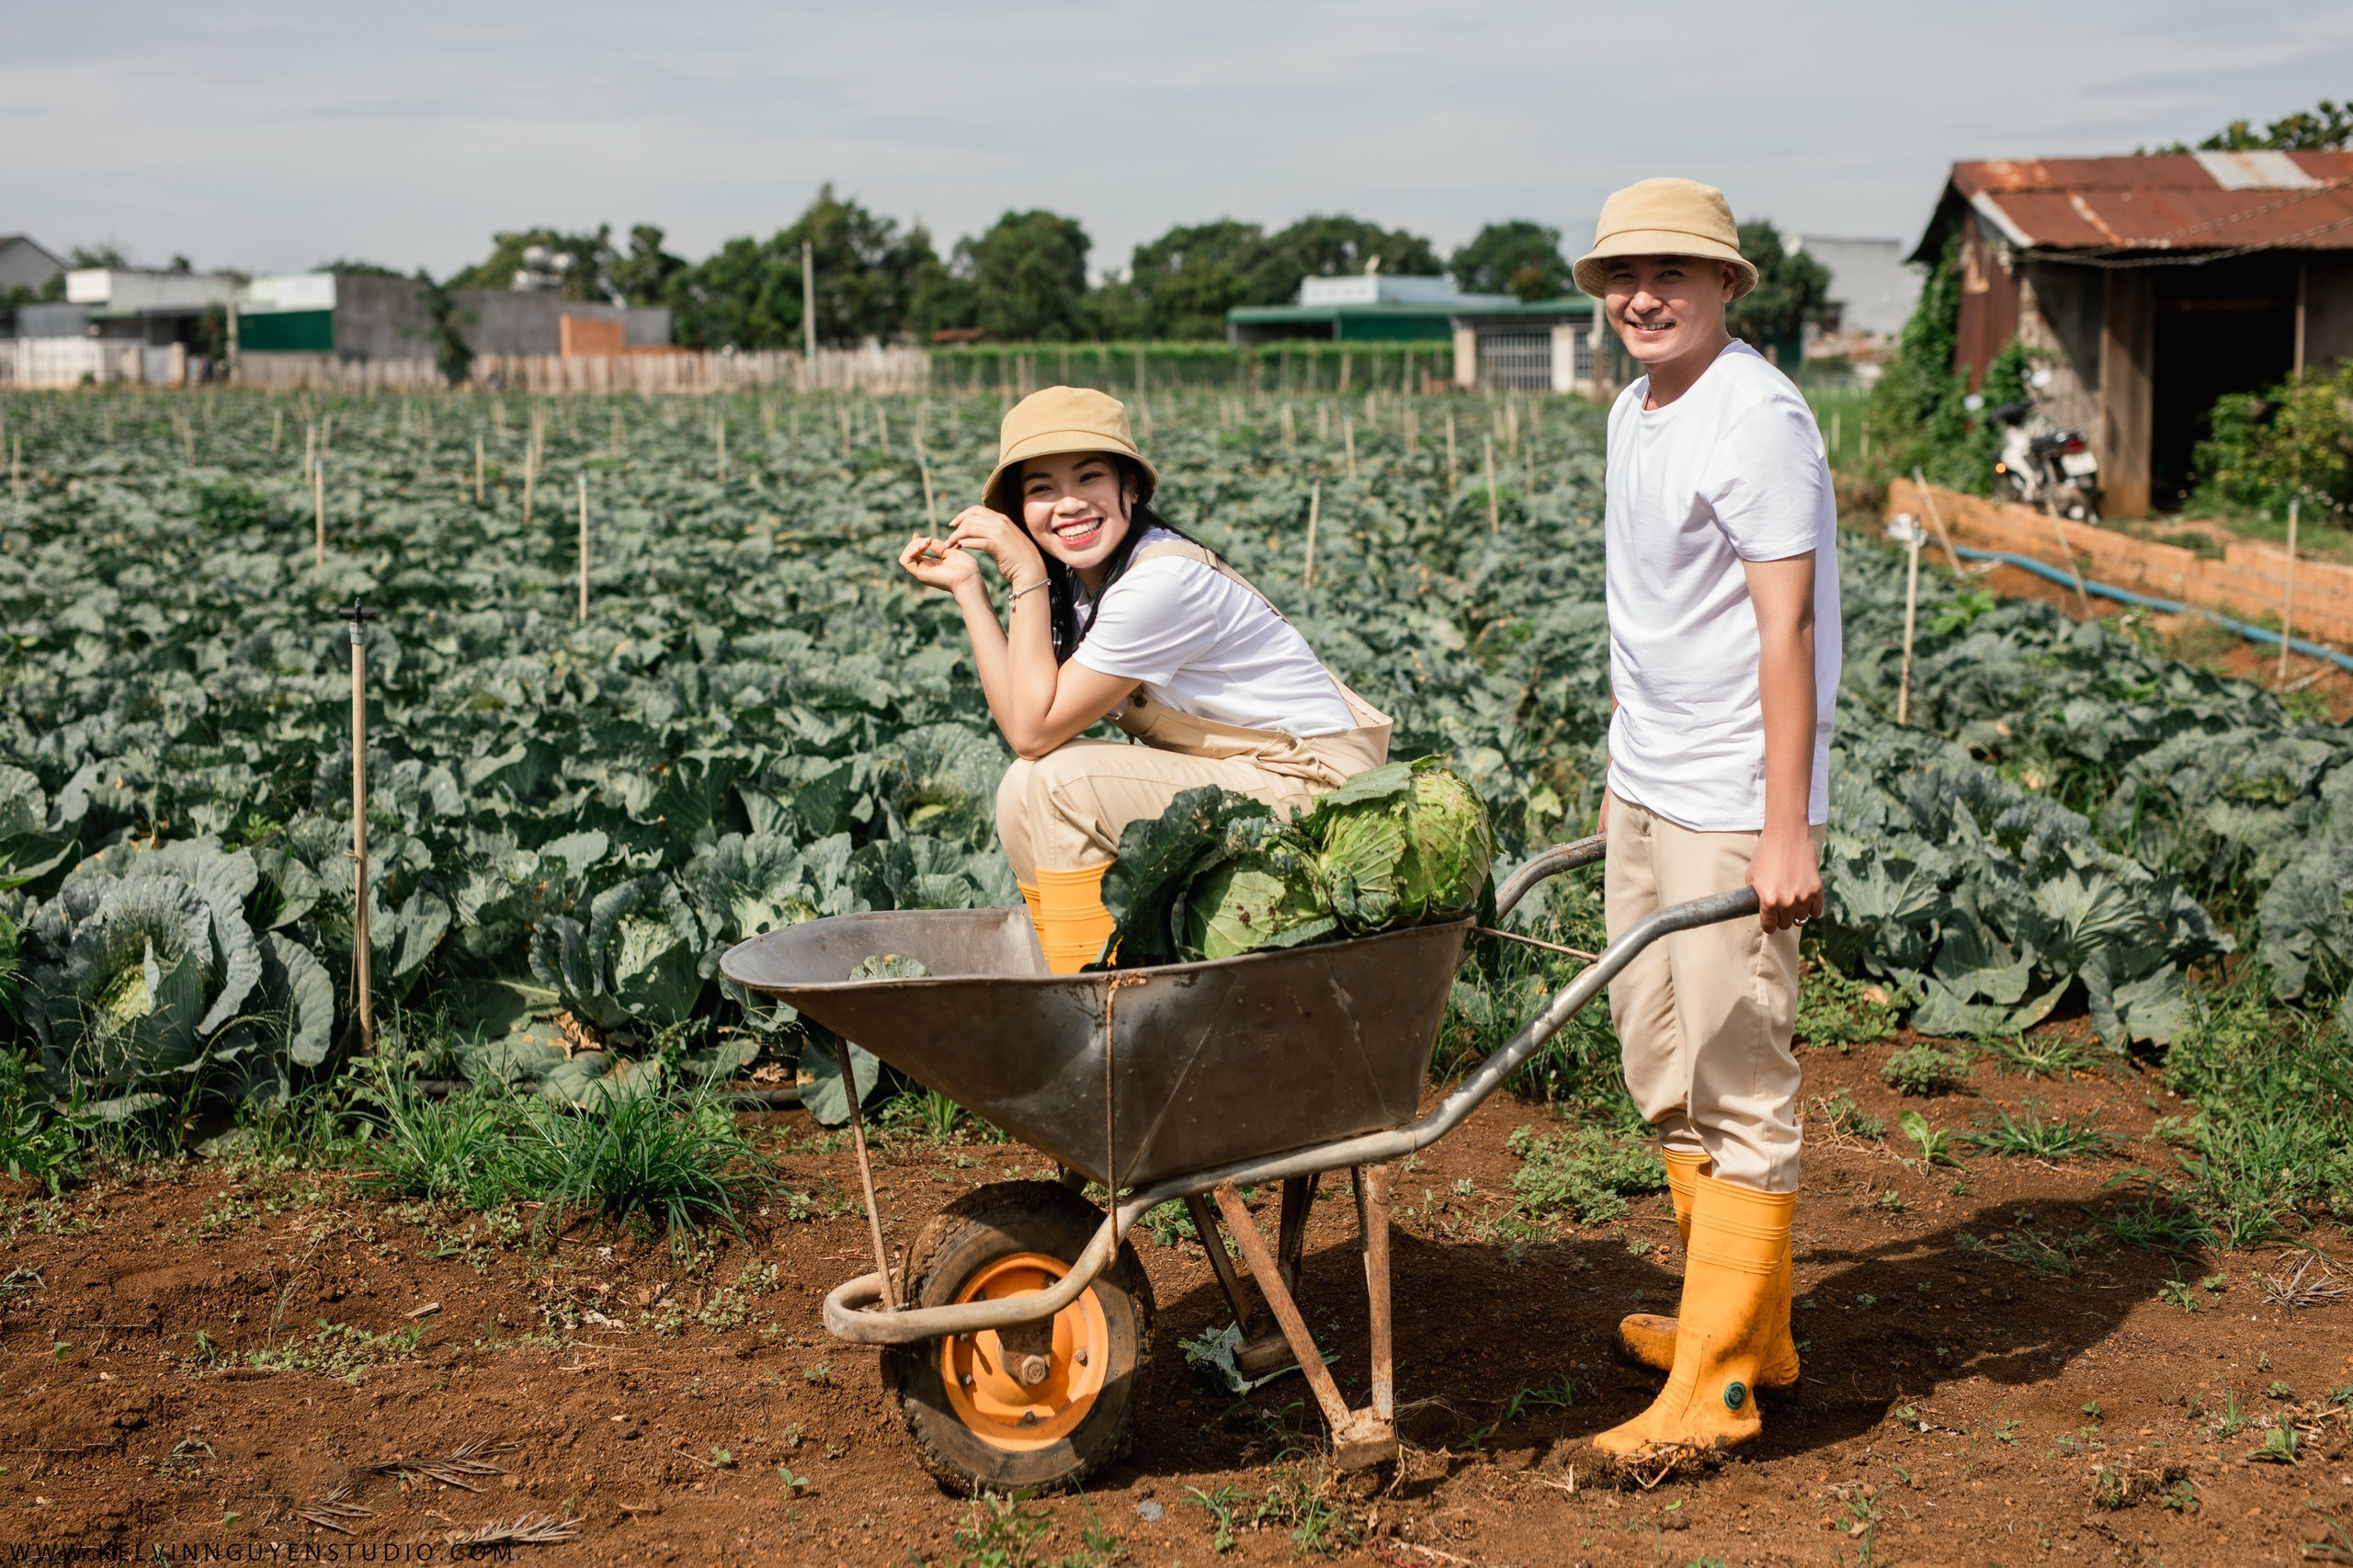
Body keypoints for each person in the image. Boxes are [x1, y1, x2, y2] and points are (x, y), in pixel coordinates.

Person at [1574, 179, 1842, 1460]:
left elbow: (1785, 626)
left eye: (1671, 272)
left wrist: (1786, 826)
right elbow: (1647, 608)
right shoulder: (1633, 410)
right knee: (1658, 1052)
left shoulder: (1756, 415)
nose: (1643, 297)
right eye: (1623, 276)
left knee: (1736, 1067)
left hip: (1736, 795)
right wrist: (1621, 761)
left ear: (1727, 283)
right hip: (1650, 777)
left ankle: (1721, 1386)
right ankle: (1742, 1326)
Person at [897, 386, 1391, 972]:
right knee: (1019, 788)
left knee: (1059, 782)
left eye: (1089, 478)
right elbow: (1022, 727)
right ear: (1021, 512)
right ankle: (1072, 972)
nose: (1068, 504)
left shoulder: (1160, 582)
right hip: (1250, 773)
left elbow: (1033, 731)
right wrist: (970, 590)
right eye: (1042, 489)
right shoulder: (1083, 587)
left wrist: (1025, 572)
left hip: (1322, 792)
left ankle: (1089, 994)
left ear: (1130, 488)